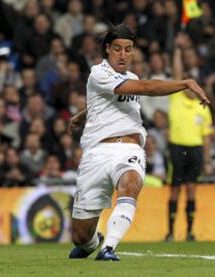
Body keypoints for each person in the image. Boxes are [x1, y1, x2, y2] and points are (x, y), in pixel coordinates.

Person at [67, 24, 210, 261]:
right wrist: (184, 83)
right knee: (81, 237)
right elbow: (146, 88)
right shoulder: (98, 73)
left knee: (130, 185)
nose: (123, 55)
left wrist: (82, 115)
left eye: (128, 49)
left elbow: (110, 101)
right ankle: (94, 243)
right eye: (117, 49)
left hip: (130, 149)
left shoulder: (130, 77)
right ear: (107, 50)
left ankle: (108, 248)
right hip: (97, 153)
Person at [165, 33, 214, 242]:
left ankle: (190, 232)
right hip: (177, 148)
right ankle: (170, 232)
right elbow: (177, 73)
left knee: (192, 191)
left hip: (194, 151)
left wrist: (208, 160)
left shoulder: (202, 107)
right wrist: (177, 48)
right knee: (175, 191)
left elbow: (206, 138)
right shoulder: (176, 97)